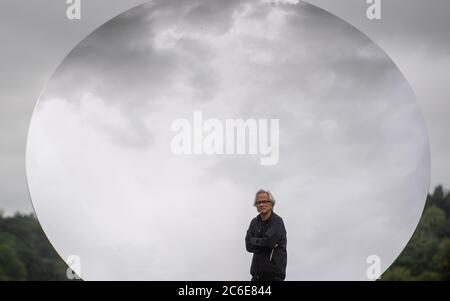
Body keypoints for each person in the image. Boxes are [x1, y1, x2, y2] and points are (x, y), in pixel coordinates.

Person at [245, 189, 287, 281]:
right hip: (256, 277)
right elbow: (248, 246)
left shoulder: (277, 222)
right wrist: (262, 242)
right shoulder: (254, 223)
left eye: (264, 201)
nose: (261, 205)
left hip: (274, 277)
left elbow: (268, 243)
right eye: (258, 202)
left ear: (271, 204)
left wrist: (255, 241)